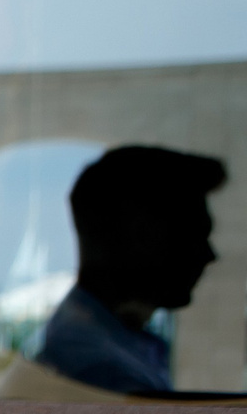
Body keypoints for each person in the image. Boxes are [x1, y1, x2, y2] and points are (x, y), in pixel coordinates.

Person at [32, 145, 229, 395]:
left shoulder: (109, 353)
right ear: (139, 236)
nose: (209, 255)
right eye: (192, 236)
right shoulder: (102, 373)